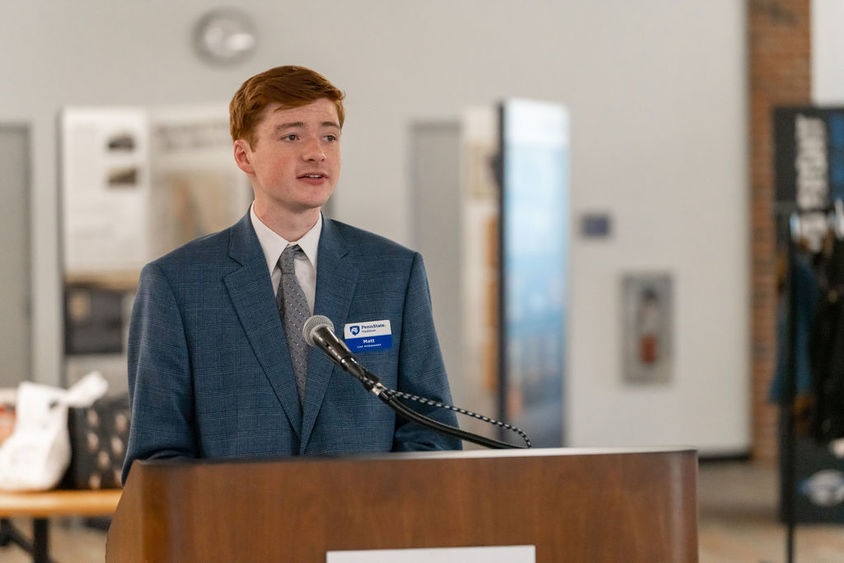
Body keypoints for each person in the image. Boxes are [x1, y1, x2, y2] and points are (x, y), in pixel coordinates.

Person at [122, 66, 460, 484]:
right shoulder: (176, 283)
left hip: (366, 531)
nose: (316, 152)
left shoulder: (393, 272)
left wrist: (384, 513)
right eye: (292, 136)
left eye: (329, 136)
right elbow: (157, 456)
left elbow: (430, 428)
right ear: (244, 154)